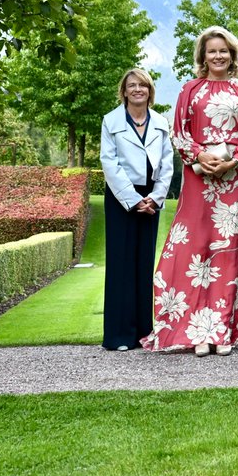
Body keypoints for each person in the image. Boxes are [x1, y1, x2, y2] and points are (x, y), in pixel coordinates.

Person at [141, 27, 238, 356]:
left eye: (224, 51)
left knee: (227, 253)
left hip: (234, 183)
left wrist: (231, 163)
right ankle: (196, 331)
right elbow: (178, 132)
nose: (218, 56)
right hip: (198, 180)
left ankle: (221, 331)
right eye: (212, 51)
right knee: (191, 251)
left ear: (232, 55)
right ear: (202, 56)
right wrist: (202, 157)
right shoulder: (190, 89)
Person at [99, 68, 174, 351]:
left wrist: (155, 198)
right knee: (121, 265)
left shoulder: (160, 122)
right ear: (124, 90)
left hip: (151, 199)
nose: (137, 90)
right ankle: (119, 335)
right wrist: (132, 200)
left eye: (142, 85)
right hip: (122, 198)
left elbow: (167, 163)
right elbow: (109, 163)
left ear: (149, 90)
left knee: (144, 265)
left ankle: (144, 331)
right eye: (132, 85)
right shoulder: (111, 121)